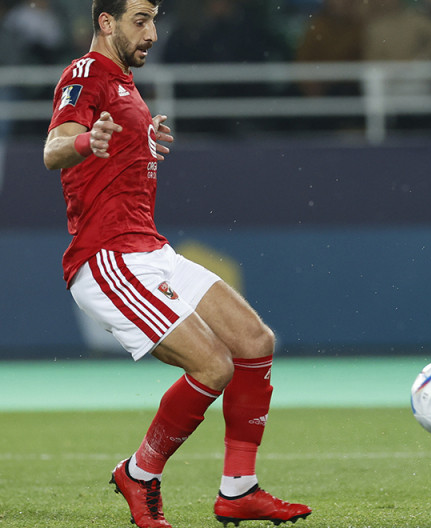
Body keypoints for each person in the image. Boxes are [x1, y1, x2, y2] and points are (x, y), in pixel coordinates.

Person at [41, 2, 310, 527]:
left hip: (150, 249)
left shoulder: (123, 83)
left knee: (255, 341)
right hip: (108, 257)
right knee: (213, 365)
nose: (153, 33)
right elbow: (54, 150)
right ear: (106, 22)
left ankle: (239, 490)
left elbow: (107, 151)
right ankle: (139, 474)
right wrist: (83, 140)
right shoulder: (86, 73)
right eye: (140, 20)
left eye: (153, 20)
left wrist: (140, 141)